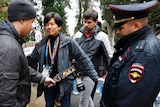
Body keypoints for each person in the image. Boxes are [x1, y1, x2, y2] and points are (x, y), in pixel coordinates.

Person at [27, 11, 100, 107]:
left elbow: (84, 59)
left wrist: (96, 78)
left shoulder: (68, 42)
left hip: (64, 83)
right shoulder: (41, 45)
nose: (49, 27)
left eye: (52, 24)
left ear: (59, 26)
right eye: (47, 24)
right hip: (48, 83)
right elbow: (29, 60)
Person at [100, 1, 160, 107]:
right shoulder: (133, 44)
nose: (117, 32)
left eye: (120, 28)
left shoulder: (145, 53)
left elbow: (131, 100)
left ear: (136, 26)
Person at [0, 0, 55, 107]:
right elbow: (5, 99)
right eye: (32, 22)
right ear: (22, 20)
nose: (32, 27)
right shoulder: (10, 48)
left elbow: (21, 67)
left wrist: (42, 78)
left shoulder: (10, 41)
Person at [73, 8, 113, 107]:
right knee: (87, 97)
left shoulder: (102, 37)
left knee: (84, 100)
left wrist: (111, 75)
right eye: (84, 21)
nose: (86, 24)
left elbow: (108, 57)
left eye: (89, 22)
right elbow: (70, 53)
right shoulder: (77, 36)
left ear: (96, 22)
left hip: (92, 73)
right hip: (78, 73)